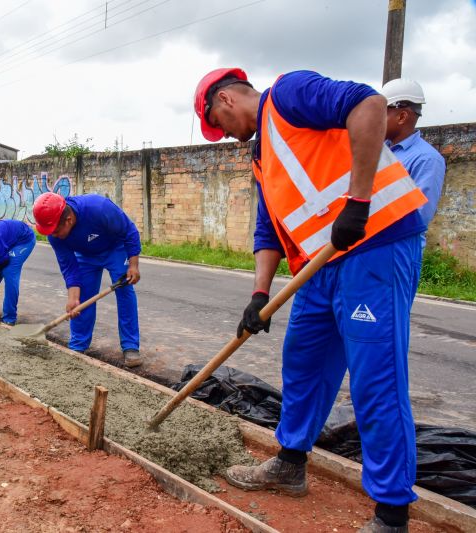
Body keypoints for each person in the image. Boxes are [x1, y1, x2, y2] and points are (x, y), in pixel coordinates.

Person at [193, 68, 429, 533]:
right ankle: (290, 463)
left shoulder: (289, 94)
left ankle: (391, 514)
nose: (225, 137)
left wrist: (357, 203)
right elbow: (269, 229)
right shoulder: (263, 156)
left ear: (225, 100)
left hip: (374, 247)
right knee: (302, 364)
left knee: (374, 380)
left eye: (220, 127)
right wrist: (260, 293)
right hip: (318, 268)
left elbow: (370, 105)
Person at [32, 192, 143, 368]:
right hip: (85, 256)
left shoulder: (98, 208)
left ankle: (130, 346)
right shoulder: (54, 235)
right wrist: (73, 298)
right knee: (82, 299)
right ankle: (78, 345)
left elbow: (129, 231)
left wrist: (133, 265)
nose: (54, 235)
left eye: (56, 231)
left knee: (124, 291)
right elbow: (69, 267)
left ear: (68, 220)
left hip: (115, 248)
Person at [381, 78, 446, 249]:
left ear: (402, 116)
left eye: (381, 113)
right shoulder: (380, 150)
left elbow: (418, 217)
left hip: (399, 253)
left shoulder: (427, 159)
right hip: (371, 251)